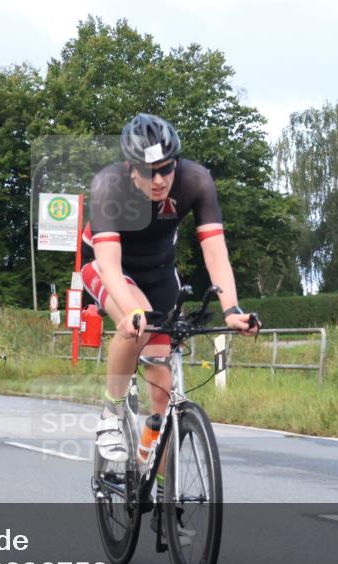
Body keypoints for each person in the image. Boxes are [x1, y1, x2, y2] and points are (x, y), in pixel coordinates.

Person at [82, 113, 259, 464]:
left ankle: (158, 472)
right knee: (136, 325)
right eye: (150, 172)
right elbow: (111, 266)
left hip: (160, 271)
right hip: (108, 265)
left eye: (167, 169)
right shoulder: (108, 185)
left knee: (161, 386)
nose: (160, 180)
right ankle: (112, 412)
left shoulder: (196, 180)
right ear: (131, 169)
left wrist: (232, 310)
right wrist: (132, 311)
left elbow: (215, 251)